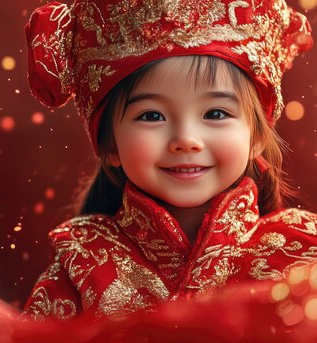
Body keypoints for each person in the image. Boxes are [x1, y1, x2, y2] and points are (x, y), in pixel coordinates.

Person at [22, 0, 317, 321]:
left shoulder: (302, 254)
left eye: (215, 113)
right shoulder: (79, 266)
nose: (186, 140)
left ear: (256, 136)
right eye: (152, 115)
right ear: (110, 145)